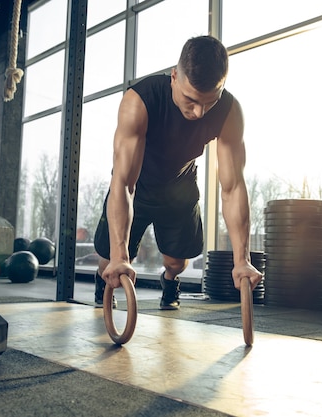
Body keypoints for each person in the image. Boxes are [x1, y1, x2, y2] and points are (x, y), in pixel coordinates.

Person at [93, 35, 262, 310]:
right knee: (108, 256)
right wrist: (118, 256)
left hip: (180, 187)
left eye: (209, 102)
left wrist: (242, 260)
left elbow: (232, 188)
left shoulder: (229, 111)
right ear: (174, 76)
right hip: (137, 184)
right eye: (191, 99)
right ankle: (105, 281)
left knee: (177, 262)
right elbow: (124, 183)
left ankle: (170, 281)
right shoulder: (140, 100)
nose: (199, 112)